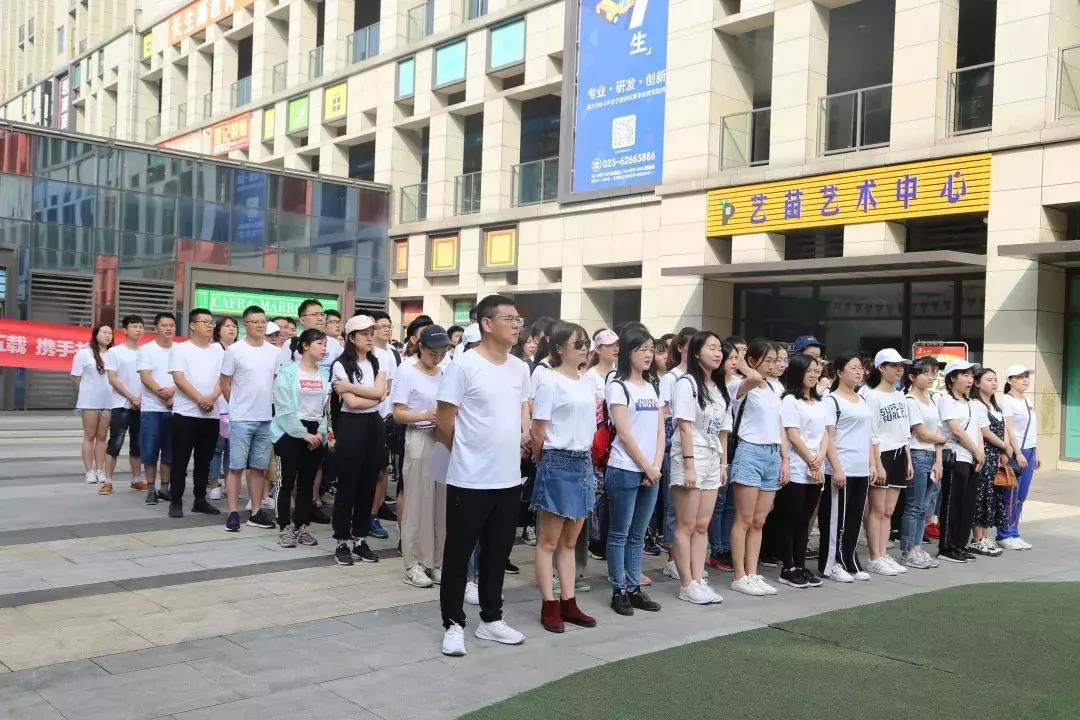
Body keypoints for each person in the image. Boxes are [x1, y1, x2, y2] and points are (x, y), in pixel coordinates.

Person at [437, 295, 531, 657]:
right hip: (469, 478)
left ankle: (491, 619)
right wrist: (463, 451)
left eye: (518, 319)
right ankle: (453, 623)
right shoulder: (464, 365)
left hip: (507, 479)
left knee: (497, 553)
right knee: (459, 554)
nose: (516, 325)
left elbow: (522, 407)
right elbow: (445, 415)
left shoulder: (520, 368)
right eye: (510, 318)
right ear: (487, 324)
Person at [529, 321, 599, 631]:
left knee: (570, 542)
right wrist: (541, 458)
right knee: (548, 541)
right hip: (556, 460)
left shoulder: (587, 381)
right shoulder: (549, 380)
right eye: (578, 343)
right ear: (560, 348)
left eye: (586, 343)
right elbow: (539, 428)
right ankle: (549, 604)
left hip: (583, 461)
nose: (585, 348)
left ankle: (569, 602)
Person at [604, 326, 664, 616]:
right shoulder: (618, 386)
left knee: (638, 535)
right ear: (629, 352)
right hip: (625, 468)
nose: (649, 355)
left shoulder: (653, 386)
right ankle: (619, 589)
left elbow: (662, 429)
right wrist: (645, 466)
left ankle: (634, 587)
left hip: (650, 470)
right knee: (619, 532)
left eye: (651, 350)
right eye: (643, 350)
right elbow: (624, 433)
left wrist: (655, 465)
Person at [669, 332, 732, 605]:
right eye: (712, 348)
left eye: (720, 348)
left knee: (702, 524)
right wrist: (689, 465)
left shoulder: (719, 387)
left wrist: (723, 464)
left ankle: (698, 577)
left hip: (712, 457)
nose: (718, 353)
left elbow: (723, 432)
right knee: (686, 524)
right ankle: (687, 583)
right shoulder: (687, 383)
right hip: (690, 456)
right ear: (696, 353)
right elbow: (684, 426)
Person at [726, 339, 786, 596]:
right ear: (752, 361)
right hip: (750, 450)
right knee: (745, 518)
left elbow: (780, 425)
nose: (773, 365)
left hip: (772, 453)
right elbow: (751, 379)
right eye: (768, 360)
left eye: (775, 360)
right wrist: (742, 363)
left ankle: (753, 572)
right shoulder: (739, 384)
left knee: (760, 520)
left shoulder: (776, 387)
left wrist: (786, 458)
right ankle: (739, 574)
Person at [394, 324, 450, 589]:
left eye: (442, 351)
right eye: (432, 352)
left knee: (439, 503)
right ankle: (413, 563)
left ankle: (436, 562)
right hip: (418, 438)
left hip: (441, 440)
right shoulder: (407, 371)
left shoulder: (444, 372)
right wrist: (425, 415)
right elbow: (398, 413)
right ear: (420, 348)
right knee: (417, 502)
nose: (437, 357)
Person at [329, 315, 387, 565]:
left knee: (369, 483)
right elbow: (351, 404)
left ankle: (360, 538)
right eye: (364, 333)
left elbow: (381, 394)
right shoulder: (340, 364)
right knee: (348, 484)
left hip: (374, 424)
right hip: (351, 425)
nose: (370, 337)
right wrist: (373, 395)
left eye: (371, 332)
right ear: (351, 337)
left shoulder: (377, 362)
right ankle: (342, 540)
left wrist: (353, 388)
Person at [220, 306, 280, 532]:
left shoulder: (274, 352)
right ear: (245, 325)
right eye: (255, 321)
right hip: (241, 418)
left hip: (266, 418)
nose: (260, 325)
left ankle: (255, 512)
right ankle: (233, 512)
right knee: (236, 467)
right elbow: (224, 383)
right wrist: (235, 406)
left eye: (263, 321)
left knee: (258, 468)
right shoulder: (234, 351)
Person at [272, 328, 331, 549]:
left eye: (325, 344)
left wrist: (320, 432)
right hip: (290, 432)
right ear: (305, 346)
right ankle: (284, 526)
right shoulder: (288, 372)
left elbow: (327, 408)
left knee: (307, 484)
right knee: (286, 482)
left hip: (316, 433)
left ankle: (300, 525)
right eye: (319, 344)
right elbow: (283, 408)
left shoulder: (325, 375)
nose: (324, 348)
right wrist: (302, 433)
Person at [818, 353, 873, 583]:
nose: (859, 371)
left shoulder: (862, 400)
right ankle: (831, 563)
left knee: (853, 518)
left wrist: (873, 464)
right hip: (841, 467)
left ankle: (850, 559)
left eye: (860, 368)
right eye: (853, 368)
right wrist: (837, 468)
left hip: (861, 469)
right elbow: (828, 437)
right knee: (835, 520)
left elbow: (869, 435)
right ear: (839, 372)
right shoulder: (831, 401)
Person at [775, 353, 828, 588]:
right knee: (791, 519)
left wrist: (819, 460)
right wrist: (811, 460)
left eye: (817, 372)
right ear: (798, 373)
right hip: (798, 467)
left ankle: (801, 565)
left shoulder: (820, 402)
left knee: (805, 520)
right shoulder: (789, 401)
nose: (814, 376)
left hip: (816, 468)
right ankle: (788, 567)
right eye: (809, 372)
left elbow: (827, 433)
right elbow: (792, 435)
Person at [168, 308, 225, 518]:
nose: (210, 325)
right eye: (205, 322)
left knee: (205, 461)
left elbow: (224, 379)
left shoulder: (219, 350)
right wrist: (200, 399)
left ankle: (200, 500)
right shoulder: (180, 349)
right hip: (185, 415)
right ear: (192, 325)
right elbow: (179, 379)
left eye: (211, 322)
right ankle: (176, 501)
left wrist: (211, 398)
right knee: (180, 460)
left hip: (211, 415)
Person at [863, 349, 914, 577]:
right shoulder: (871, 396)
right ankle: (875, 556)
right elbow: (871, 432)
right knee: (877, 509)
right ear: (881, 368)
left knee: (889, 510)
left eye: (901, 365)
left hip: (899, 453)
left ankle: (883, 553)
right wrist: (876, 463)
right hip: (881, 454)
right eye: (893, 365)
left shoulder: (900, 394)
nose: (899, 369)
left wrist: (909, 460)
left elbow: (904, 431)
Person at [935, 360, 985, 564]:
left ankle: (960, 545)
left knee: (967, 504)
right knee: (952, 502)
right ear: (952, 378)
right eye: (964, 374)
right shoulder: (946, 400)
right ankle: (946, 546)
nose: (970, 379)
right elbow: (955, 430)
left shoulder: (973, 403)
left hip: (972, 458)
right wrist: (975, 450)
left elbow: (979, 430)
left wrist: (980, 453)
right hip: (956, 456)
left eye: (971, 375)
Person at [658, 327, 696, 580]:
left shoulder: (700, 377)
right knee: (675, 507)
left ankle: (688, 556)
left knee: (693, 512)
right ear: (680, 347)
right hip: (675, 444)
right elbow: (665, 411)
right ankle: (672, 557)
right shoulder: (671, 377)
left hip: (696, 445)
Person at [901, 357, 947, 569]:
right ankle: (909, 550)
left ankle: (918, 548)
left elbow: (936, 432)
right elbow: (920, 433)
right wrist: (942, 440)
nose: (931, 377)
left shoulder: (932, 400)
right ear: (912, 376)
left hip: (931, 456)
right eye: (926, 372)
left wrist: (939, 461)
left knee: (925, 507)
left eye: (933, 372)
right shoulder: (910, 400)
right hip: (918, 455)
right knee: (914, 506)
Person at [968, 368, 1010, 557]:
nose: (994, 383)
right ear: (977, 384)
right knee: (980, 497)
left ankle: (985, 536)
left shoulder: (995, 406)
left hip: (996, 457)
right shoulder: (976, 404)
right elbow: (985, 431)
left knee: (990, 497)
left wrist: (1005, 449)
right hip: (984, 455)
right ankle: (977, 539)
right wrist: (1004, 446)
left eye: (995, 379)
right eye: (989, 380)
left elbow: (1004, 428)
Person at [585, 329, 618, 562]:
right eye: (609, 345)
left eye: (617, 344)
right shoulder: (589, 376)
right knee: (596, 492)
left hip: (615, 440)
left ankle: (605, 539)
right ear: (598, 349)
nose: (615, 348)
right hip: (596, 440)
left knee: (609, 494)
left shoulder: (620, 375)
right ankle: (593, 539)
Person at [104, 315, 146, 493]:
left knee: (138, 444)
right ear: (125, 330)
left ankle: (136, 479)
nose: (138, 330)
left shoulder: (145, 351)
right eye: (134, 326)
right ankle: (108, 481)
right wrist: (131, 397)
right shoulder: (115, 352)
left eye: (141, 327)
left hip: (143, 405)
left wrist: (141, 399)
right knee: (115, 442)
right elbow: (113, 379)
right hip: (121, 404)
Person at [370, 310, 402, 542]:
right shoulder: (367, 352)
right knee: (368, 470)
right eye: (382, 326)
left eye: (389, 325)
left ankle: (375, 510)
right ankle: (363, 514)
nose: (387, 329)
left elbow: (391, 388)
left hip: (387, 418)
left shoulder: (391, 353)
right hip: (368, 416)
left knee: (382, 469)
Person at [138, 312, 177, 504]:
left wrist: (173, 391)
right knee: (150, 451)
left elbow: (185, 376)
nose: (169, 328)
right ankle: (151, 488)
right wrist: (163, 394)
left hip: (176, 408)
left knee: (170, 451)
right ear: (156, 328)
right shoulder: (146, 349)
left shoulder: (180, 349)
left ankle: (165, 488)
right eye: (164, 325)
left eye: (171, 325)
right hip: (152, 408)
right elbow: (145, 377)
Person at [998, 365, 1038, 550]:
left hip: (1030, 450)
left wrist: (1036, 453)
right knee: (1011, 494)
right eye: (1020, 377)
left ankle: (1014, 531)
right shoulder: (1007, 400)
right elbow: (1009, 429)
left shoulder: (1028, 399)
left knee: (1022, 495)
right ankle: (1004, 533)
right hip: (1017, 452)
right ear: (1010, 380)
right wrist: (1018, 452)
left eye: (1027, 376)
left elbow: (1032, 428)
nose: (1025, 379)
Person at [72, 324, 114, 486]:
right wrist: (86, 392)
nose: (108, 335)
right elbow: (76, 377)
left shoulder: (114, 353)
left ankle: (100, 469)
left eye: (110, 333)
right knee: (90, 435)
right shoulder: (84, 353)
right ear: (95, 334)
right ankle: (89, 471)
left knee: (103, 436)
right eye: (104, 332)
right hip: (89, 402)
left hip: (108, 402)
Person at [208, 317, 238, 501]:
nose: (231, 329)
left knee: (231, 449)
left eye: (234, 326)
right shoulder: (213, 350)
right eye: (227, 326)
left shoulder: (238, 350)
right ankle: (213, 484)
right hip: (218, 406)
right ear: (218, 330)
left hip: (236, 408)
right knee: (217, 449)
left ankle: (229, 484)